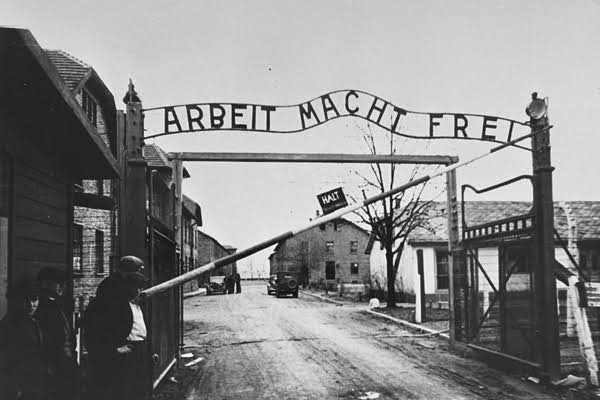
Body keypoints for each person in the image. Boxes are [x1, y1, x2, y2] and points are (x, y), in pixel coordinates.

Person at [83, 255, 149, 400]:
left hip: (122, 349)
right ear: (129, 272)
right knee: (114, 389)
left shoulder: (121, 288)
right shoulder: (112, 288)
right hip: (112, 353)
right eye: (136, 272)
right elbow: (101, 325)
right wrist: (114, 348)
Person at [35, 267, 81, 400]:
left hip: (65, 362)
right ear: (46, 284)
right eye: (58, 284)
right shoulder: (41, 308)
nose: (62, 287)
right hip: (54, 366)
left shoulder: (57, 305)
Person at [0, 280, 47, 400]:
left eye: (34, 299)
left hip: (35, 383)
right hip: (17, 386)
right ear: (15, 301)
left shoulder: (34, 323)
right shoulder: (7, 326)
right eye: (25, 300)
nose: (31, 304)